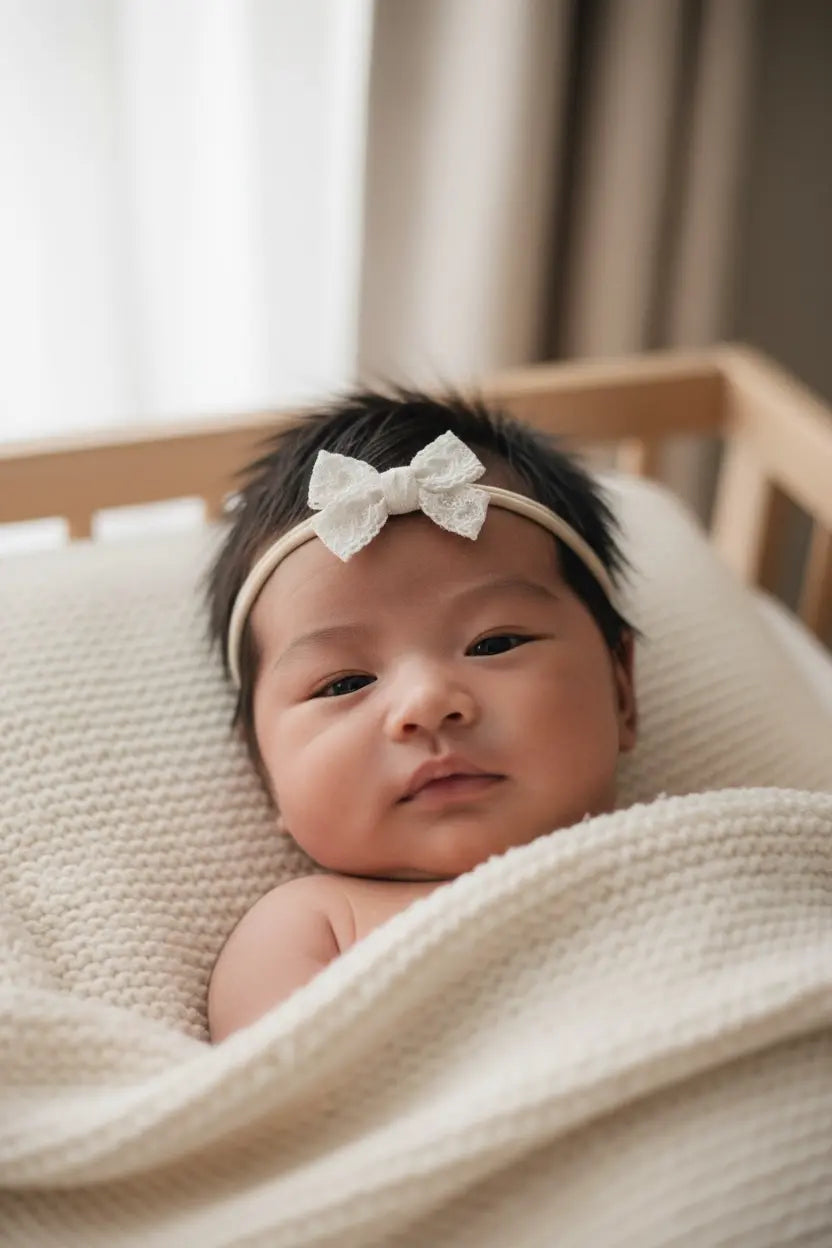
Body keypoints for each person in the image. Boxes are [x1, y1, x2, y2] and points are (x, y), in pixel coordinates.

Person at [205, 390, 638, 1041]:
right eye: (344, 681)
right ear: (261, 764)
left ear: (622, 688)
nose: (426, 703)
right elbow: (276, 1109)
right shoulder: (315, 926)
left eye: (495, 643)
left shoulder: (707, 845)